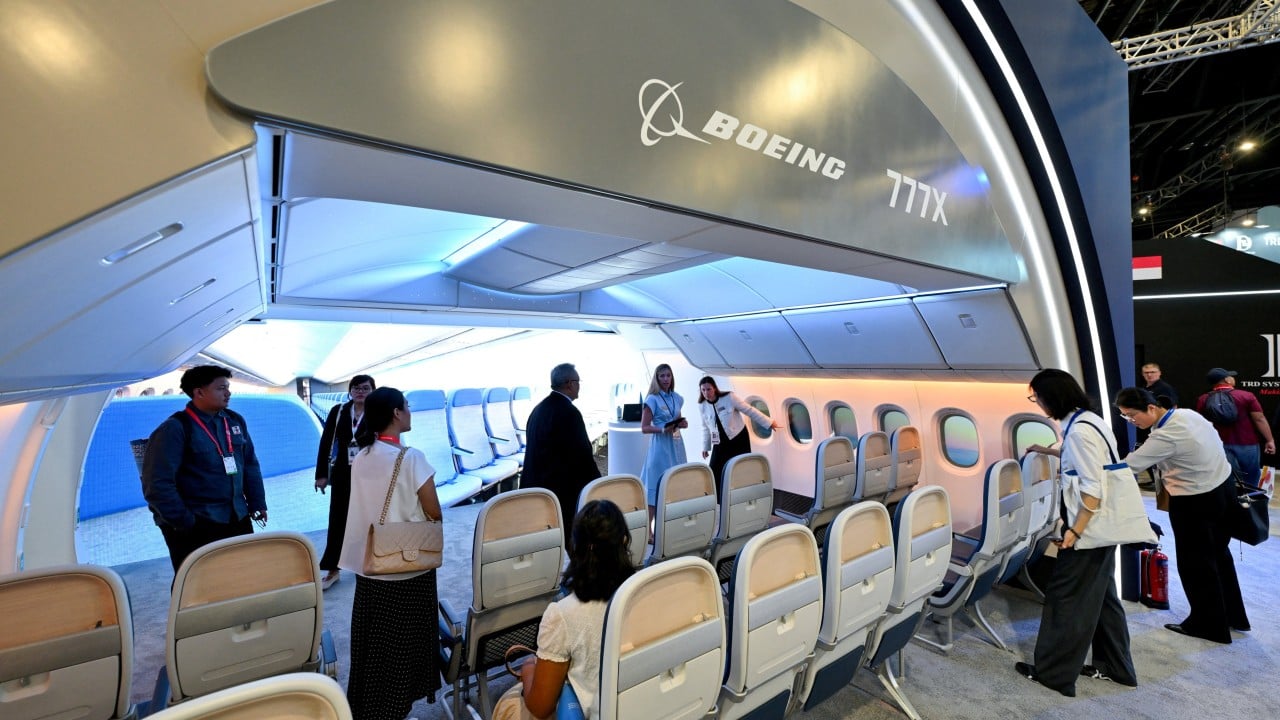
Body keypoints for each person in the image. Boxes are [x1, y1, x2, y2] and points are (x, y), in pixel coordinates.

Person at [1017, 368, 1137, 696]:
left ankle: (1054, 675)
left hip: (1089, 529)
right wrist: (1048, 451)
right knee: (1103, 599)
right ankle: (1116, 666)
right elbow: (1090, 461)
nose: (1037, 403)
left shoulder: (1079, 432)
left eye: (1037, 398)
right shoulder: (1090, 421)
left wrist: (1075, 532)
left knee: (1066, 598)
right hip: (1105, 527)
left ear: (1052, 397)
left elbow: (1092, 487)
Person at [338, 386, 443, 719]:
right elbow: (434, 510)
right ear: (397, 413)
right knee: (405, 649)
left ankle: (377, 709)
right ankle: (398, 709)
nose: (409, 412)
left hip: (372, 565)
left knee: (377, 649)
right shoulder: (411, 458)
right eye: (406, 406)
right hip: (408, 567)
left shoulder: (361, 456)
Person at [1116, 386, 1249, 643]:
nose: (1131, 421)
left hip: (1195, 500)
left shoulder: (1166, 435)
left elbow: (1126, 467)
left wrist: (1083, 470)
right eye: (1126, 416)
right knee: (1219, 557)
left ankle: (1208, 626)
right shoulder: (1187, 414)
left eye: (1132, 415)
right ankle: (1233, 617)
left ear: (1151, 407)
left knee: (1196, 564)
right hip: (1222, 489)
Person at [493, 499, 635, 720]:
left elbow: (540, 708)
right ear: (624, 541)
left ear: (575, 548)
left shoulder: (562, 614)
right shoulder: (641, 594)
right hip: (634, 706)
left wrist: (528, 669)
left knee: (508, 705)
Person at [141, 365, 268, 572]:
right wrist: (186, 522)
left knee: (243, 575)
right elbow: (157, 484)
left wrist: (257, 502)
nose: (228, 393)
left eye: (228, 387)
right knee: (198, 582)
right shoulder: (174, 429)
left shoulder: (234, 421)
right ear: (199, 392)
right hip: (199, 522)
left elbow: (250, 464)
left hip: (237, 516)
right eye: (221, 388)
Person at [521, 363, 602, 530]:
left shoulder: (538, 409)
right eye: (578, 382)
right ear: (569, 384)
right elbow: (583, 456)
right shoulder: (569, 412)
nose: (579, 386)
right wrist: (598, 485)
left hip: (535, 487)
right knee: (567, 535)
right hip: (559, 492)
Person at [313, 375, 375, 590]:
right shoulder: (338, 411)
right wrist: (321, 474)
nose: (360, 392)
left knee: (367, 518)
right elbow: (326, 442)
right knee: (338, 519)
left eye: (365, 388)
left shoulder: (377, 411)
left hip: (369, 473)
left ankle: (368, 562)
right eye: (356, 388)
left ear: (372, 391)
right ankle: (333, 569)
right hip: (342, 472)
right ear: (350, 391)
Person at [697, 376, 779, 495]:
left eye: (708, 389)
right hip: (719, 441)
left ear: (714, 388)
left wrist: (769, 423)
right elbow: (705, 427)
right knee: (715, 469)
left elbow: (749, 410)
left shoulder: (729, 397)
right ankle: (718, 498)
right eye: (703, 390)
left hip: (737, 438)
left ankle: (743, 495)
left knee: (740, 468)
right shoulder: (702, 405)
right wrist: (705, 447)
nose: (706, 393)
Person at [1195, 368, 1275, 487]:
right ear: (1227, 380)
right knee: (1251, 477)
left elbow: (1202, 423)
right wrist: (1270, 440)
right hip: (1247, 443)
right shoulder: (1246, 396)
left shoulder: (1203, 399)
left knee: (1227, 477)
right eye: (1231, 376)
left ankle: (1232, 497)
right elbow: (1259, 419)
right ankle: (1251, 498)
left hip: (1219, 444)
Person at [639, 364, 688, 518]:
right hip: (660, 447)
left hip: (677, 445)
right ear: (657, 378)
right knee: (655, 488)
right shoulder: (652, 399)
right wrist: (662, 429)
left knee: (675, 484)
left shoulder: (677, 398)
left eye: (668, 375)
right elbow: (644, 427)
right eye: (662, 376)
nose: (666, 379)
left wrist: (682, 424)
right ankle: (649, 528)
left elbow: (678, 418)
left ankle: (668, 524)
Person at [1135, 362, 1178, 487]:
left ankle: (1161, 481)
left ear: (1159, 373)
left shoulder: (1165, 388)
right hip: (1145, 427)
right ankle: (1155, 480)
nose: (1150, 375)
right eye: (1146, 373)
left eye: (1153, 372)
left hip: (1160, 427)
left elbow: (1173, 407)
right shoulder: (1143, 389)